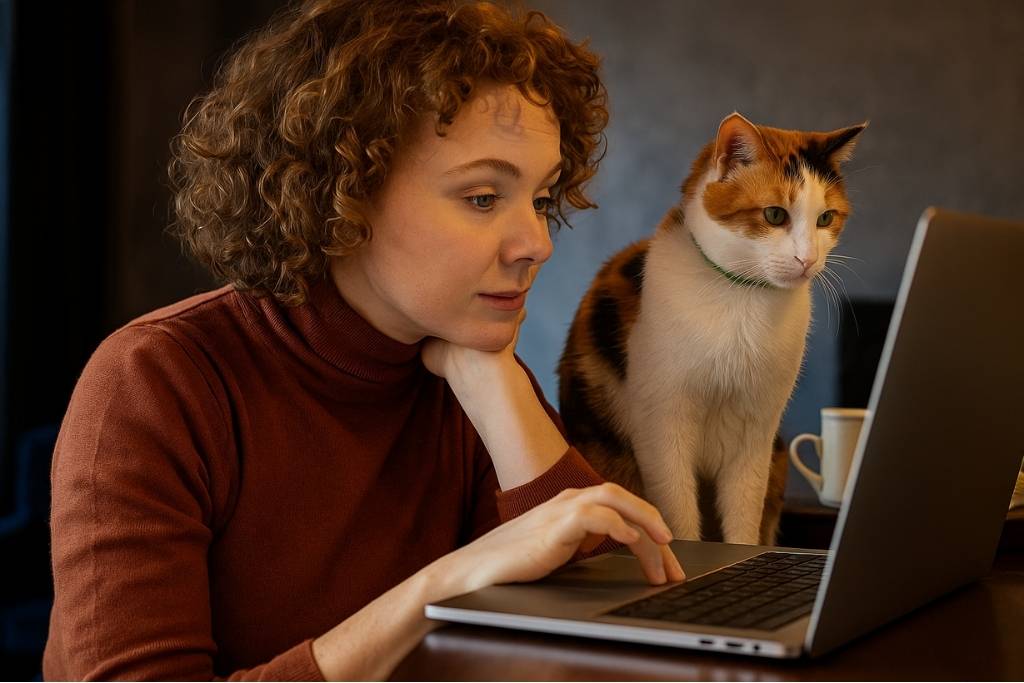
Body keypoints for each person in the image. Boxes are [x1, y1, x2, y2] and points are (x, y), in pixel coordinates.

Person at [43, 0, 685, 679]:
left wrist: (495, 387)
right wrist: (440, 588)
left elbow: (606, 636)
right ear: (342, 193)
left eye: (540, 196)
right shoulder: (154, 381)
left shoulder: (467, 371)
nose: (537, 243)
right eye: (482, 198)